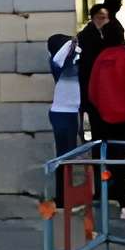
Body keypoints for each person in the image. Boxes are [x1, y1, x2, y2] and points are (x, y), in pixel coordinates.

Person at [82, 20, 125, 204]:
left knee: (116, 164)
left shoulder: (100, 58)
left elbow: (92, 92)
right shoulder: (124, 56)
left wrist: (104, 111)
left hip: (108, 119)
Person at [46, 29, 85, 159]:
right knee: (64, 156)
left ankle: (64, 178)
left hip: (72, 112)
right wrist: (71, 42)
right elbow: (61, 56)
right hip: (61, 113)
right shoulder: (56, 62)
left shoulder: (74, 61)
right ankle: (61, 179)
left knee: (69, 154)